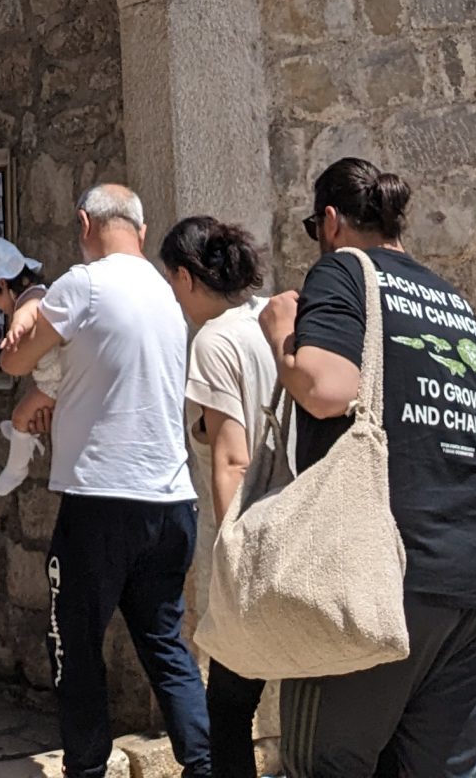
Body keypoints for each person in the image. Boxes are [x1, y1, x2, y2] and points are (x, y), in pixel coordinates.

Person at [260, 157, 476, 778]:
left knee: (321, 763)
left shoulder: (343, 271)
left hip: (376, 574)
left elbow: (325, 388)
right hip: (474, 574)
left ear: (331, 221)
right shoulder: (453, 300)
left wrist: (281, 335)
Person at [1, 182, 210, 778]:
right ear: (141, 232)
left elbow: (15, 360)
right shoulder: (169, 293)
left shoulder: (83, 285)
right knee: (165, 645)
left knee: (74, 643)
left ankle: (87, 768)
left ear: (84, 224)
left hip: (100, 498)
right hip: (172, 499)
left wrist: (28, 311)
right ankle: (206, 765)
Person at [159, 217, 280, 778]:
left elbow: (233, 460)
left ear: (186, 278)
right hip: (307, 525)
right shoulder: (273, 317)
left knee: (228, 709)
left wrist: (233, 557)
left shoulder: (213, 340)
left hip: (258, 535)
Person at [0, 235, 66, 495]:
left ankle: (17, 466)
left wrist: (17, 328)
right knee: (23, 416)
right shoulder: (35, 294)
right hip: (50, 379)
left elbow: (28, 311)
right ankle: (21, 436)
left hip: (54, 383)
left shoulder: (32, 296)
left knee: (20, 417)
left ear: (1, 282)